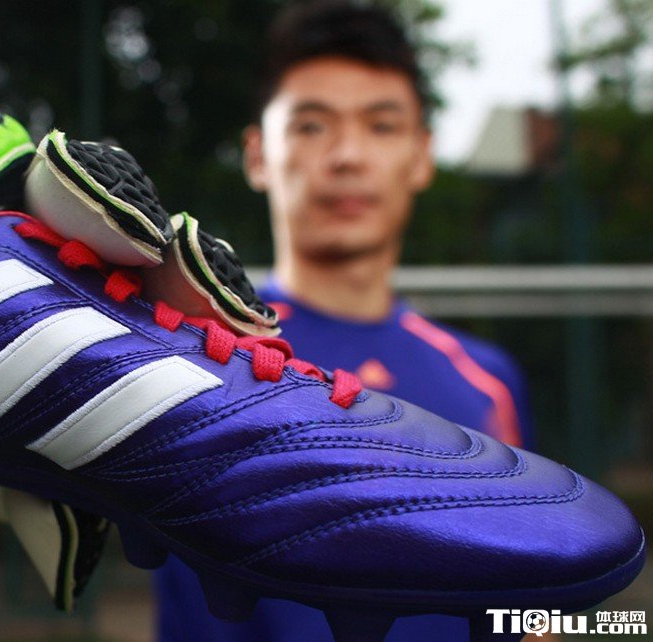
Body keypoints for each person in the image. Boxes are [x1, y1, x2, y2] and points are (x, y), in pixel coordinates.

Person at [154, 2, 532, 641]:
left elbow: (531, 606)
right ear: (258, 155)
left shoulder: (488, 381)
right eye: (311, 125)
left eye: (381, 126)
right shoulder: (187, 359)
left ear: (421, 156)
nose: (348, 155)